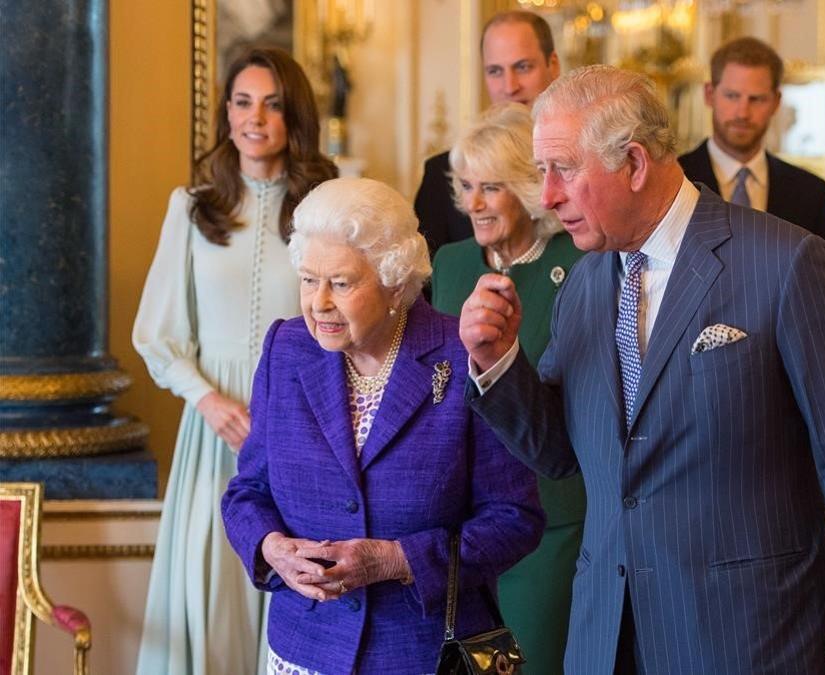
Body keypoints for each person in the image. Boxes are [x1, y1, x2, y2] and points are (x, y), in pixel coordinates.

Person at [460, 65, 825, 675]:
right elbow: (565, 452)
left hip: (749, 634)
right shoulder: (586, 284)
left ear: (635, 164)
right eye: (543, 173)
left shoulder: (786, 265)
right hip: (605, 635)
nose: (548, 196)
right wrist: (497, 363)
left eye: (563, 169)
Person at [221, 177, 545, 674]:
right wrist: (271, 549)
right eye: (309, 279)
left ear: (394, 280)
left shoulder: (460, 355)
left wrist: (397, 560)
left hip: (424, 654)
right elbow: (248, 491)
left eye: (342, 283)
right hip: (306, 650)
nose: (319, 302)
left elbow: (516, 518)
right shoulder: (285, 349)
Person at [132, 46, 338, 675]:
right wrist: (208, 400)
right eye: (243, 102)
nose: (256, 118)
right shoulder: (192, 207)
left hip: (301, 430)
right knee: (214, 588)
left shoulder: (324, 208)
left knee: (289, 584)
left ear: (293, 116)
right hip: (212, 429)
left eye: (272, 104)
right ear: (226, 115)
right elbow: (157, 332)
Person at [431, 103, 585, 675]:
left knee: (533, 665)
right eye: (466, 186)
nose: (472, 203)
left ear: (527, 186)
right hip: (463, 526)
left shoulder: (581, 264)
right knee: (476, 668)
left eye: (490, 187)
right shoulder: (448, 264)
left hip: (550, 521)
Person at [414, 10, 561, 259]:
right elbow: (430, 291)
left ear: (553, 65)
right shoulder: (441, 175)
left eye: (523, 67)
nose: (509, 86)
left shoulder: (580, 167)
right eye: (495, 71)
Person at [677, 36, 825, 249]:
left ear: (776, 102)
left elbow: (820, 279)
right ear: (709, 95)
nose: (743, 113)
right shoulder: (676, 180)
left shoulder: (810, 192)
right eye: (732, 96)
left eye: (757, 99)